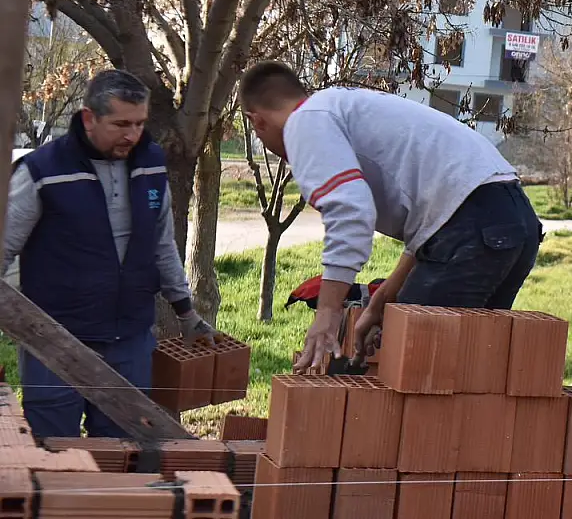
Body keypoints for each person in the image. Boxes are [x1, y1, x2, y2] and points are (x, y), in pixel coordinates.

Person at [238, 61, 543, 373]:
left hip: (472, 230)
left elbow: (351, 215)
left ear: (256, 121)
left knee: (411, 377)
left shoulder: (304, 122)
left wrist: (327, 313)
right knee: (466, 379)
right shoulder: (342, 108)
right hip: (513, 222)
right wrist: (383, 299)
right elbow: (435, 219)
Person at [2, 70, 214, 438]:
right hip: (55, 341)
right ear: (89, 118)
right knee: (54, 454)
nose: (132, 134)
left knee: (124, 453)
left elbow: (161, 243)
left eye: (140, 123)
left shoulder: (150, 163)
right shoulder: (41, 170)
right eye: (120, 124)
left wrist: (186, 312)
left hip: (129, 338)